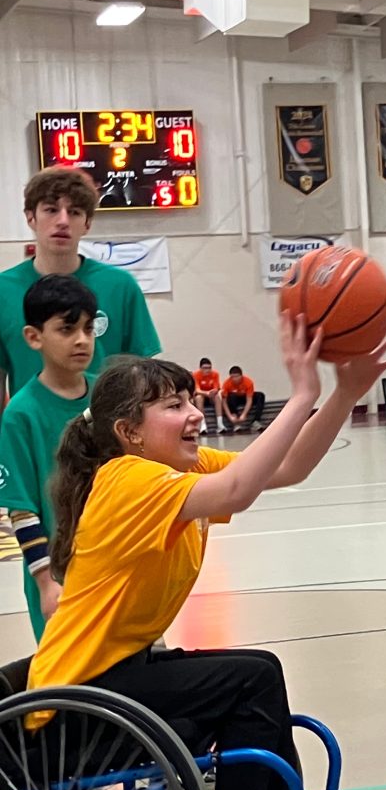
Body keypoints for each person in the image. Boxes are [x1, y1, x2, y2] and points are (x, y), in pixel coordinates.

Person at [27, 317, 386, 790]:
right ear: (129, 431)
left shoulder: (175, 469)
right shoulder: (128, 479)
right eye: (174, 405)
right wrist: (301, 392)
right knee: (250, 677)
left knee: (257, 670)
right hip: (78, 697)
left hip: (114, 676)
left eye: (191, 400)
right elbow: (238, 492)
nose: (195, 413)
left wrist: (345, 392)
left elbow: (285, 469)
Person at [0, 167, 160, 408]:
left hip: (107, 437)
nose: (63, 221)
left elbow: (141, 377)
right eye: (51, 210)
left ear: (87, 223)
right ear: (31, 217)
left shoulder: (120, 287)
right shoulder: (3, 291)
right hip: (34, 435)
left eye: (74, 212)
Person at [0, 276, 96, 642]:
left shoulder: (108, 396)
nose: (82, 339)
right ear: (33, 337)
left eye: (89, 328)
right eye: (67, 328)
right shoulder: (21, 414)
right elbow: (22, 510)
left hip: (118, 566)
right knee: (75, 686)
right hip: (61, 578)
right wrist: (45, 583)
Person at [222, 365, 264, 433]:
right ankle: (236, 422)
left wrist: (244, 414)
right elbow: (224, 402)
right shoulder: (226, 384)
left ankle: (256, 421)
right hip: (234, 400)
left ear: (241, 375)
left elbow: (249, 399)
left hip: (245, 397)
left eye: (237, 376)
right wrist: (230, 417)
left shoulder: (248, 382)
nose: (235, 379)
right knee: (231, 396)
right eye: (232, 377)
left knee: (260, 395)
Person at [192, 357, 224, 434]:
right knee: (199, 397)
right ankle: (203, 424)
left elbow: (216, 388)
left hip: (211, 396)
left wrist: (212, 392)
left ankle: (220, 424)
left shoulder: (215, 374)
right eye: (205, 368)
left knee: (217, 397)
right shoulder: (195, 375)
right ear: (200, 368)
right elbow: (197, 390)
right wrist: (206, 393)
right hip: (202, 396)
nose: (207, 370)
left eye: (209, 368)